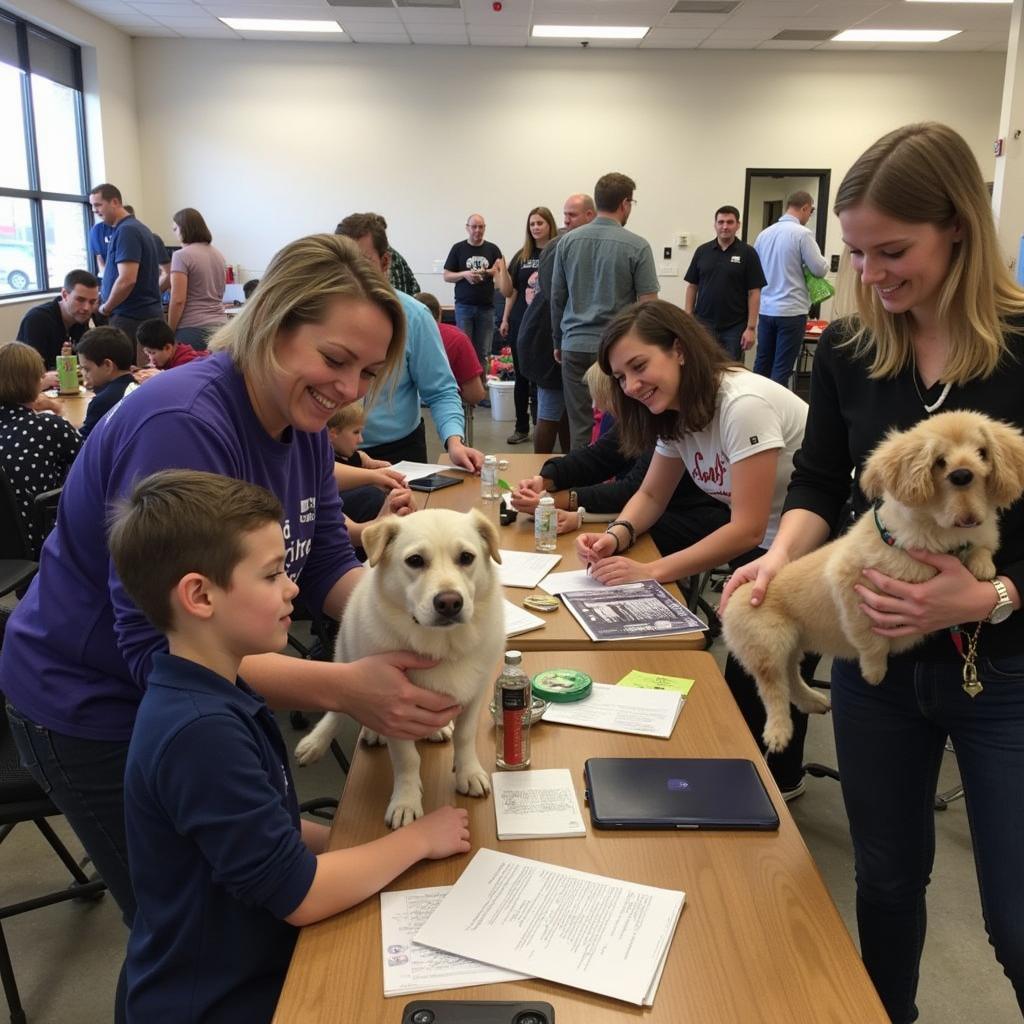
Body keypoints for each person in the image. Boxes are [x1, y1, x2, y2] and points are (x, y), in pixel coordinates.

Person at [1, 233, 462, 950]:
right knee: (203, 935)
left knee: (268, 876)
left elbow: (328, 567)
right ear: (273, 324)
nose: (350, 390)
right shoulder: (184, 428)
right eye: (336, 360)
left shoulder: (300, 417)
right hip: (98, 705)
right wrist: (345, 685)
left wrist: (424, 614)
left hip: (206, 702)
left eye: (368, 372)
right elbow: (165, 655)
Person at [721, 122, 1024, 1023]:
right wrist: (775, 557)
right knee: (887, 889)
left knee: (1014, 920)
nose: (871, 273)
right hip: (877, 674)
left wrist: (992, 595)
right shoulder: (855, 347)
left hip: (1002, 677)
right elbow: (816, 481)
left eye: (893, 251)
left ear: (959, 229)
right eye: (854, 253)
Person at [108, 469, 470, 1024]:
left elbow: (258, 829)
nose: (293, 589)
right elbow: (298, 895)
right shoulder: (200, 734)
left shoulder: (219, 693)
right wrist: (418, 840)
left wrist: (354, 841)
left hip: (251, 958)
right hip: (221, 998)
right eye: (273, 574)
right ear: (200, 595)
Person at [576, 299, 810, 796]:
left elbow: (745, 528)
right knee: (750, 668)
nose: (632, 386)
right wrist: (616, 535)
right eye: (621, 377)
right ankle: (759, 778)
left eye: (639, 366)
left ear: (679, 351)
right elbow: (652, 494)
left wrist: (651, 571)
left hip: (808, 545)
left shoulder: (741, 403)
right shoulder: (673, 412)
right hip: (764, 547)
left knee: (760, 674)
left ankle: (777, 786)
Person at [336, 214, 483, 470]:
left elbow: (440, 390)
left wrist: (454, 442)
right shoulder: (323, 314)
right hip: (330, 450)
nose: (351, 275)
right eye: (341, 264)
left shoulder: (413, 317)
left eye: (362, 263)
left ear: (384, 263)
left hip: (397, 452)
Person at [551, 172, 659, 450]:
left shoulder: (567, 242)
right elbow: (648, 306)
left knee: (580, 424)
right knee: (622, 422)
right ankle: (616, 486)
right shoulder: (638, 245)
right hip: (616, 351)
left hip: (573, 344)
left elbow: (557, 298)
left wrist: (557, 341)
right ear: (625, 204)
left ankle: (578, 486)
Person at [517, 193, 597, 454]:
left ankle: (565, 464)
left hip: (553, 335)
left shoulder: (568, 244)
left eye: (571, 215)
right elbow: (556, 297)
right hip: (547, 338)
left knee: (565, 411)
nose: (567, 220)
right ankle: (540, 470)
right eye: (566, 215)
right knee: (551, 410)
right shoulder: (562, 244)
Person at [0, 341, 81, 556]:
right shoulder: (49, 426)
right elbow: (88, 463)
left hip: (7, 545)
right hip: (39, 538)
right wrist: (57, 412)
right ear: (36, 382)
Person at [752, 190, 829, 385]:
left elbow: (755, 272)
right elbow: (819, 269)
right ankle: (777, 412)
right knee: (782, 368)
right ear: (805, 208)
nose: (809, 216)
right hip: (792, 311)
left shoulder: (764, 234)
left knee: (762, 364)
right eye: (810, 212)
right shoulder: (802, 234)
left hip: (766, 309)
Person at [496, 206, 558, 445]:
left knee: (543, 380)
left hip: (549, 327)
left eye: (540, 223)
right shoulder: (522, 256)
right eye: (532, 224)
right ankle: (522, 427)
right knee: (521, 377)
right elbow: (509, 292)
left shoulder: (557, 251)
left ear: (549, 225)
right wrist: (504, 318)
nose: (535, 228)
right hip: (522, 325)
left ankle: (542, 426)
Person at [89, 184, 164, 357]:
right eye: (93, 206)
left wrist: (107, 307)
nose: (95, 210)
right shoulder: (134, 228)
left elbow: (127, 279)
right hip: (137, 315)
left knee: (128, 373)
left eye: (98, 205)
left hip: (131, 317)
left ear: (115, 202)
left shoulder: (127, 230)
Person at [684, 206, 766, 360]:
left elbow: (754, 292)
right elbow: (692, 286)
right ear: (715, 224)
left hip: (734, 328)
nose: (725, 226)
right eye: (721, 222)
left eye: (730, 222)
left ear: (738, 225)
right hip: (703, 325)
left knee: (730, 372)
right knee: (702, 368)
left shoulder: (748, 253)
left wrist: (751, 328)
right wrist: (688, 318)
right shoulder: (702, 251)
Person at [326, 402, 413, 542]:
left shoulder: (354, 457)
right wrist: (374, 478)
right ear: (333, 433)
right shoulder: (321, 462)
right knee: (371, 496)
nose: (361, 440)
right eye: (356, 432)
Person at [443, 213, 505, 376]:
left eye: (481, 227)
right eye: (474, 227)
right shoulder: (458, 248)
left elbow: (502, 278)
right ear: (467, 228)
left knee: (484, 353)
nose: (477, 230)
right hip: (464, 307)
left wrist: (491, 273)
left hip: (487, 308)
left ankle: (481, 393)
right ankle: (464, 394)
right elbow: (447, 276)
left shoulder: (493, 249)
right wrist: (465, 274)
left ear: (485, 228)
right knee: (463, 351)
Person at [16, 269, 103, 377]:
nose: (86, 308)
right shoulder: (37, 320)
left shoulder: (81, 319)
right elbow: (30, 372)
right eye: (80, 300)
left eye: (92, 302)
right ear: (65, 295)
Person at [166, 207, 228, 349]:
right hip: (221, 327)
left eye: (175, 229)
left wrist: (169, 331)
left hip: (192, 328)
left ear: (184, 228)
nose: (174, 233)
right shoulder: (218, 254)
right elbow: (220, 292)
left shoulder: (181, 255)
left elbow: (178, 300)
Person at [412, 292, 486, 406]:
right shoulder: (456, 337)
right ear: (440, 312)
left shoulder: (394, 337)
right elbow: (475, 395)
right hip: (446, 410)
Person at [76, 325, 137, 438]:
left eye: (86, 369)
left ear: (107, 365)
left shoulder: (102, 402)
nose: (83, 374)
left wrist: (59, 413)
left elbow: (84, 444)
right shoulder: (137, 386)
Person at [137, 317, 204, 372]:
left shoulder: (185, 364)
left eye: (152, 353)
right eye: (147, 353)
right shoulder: (167, 359)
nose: (150, 358)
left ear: (168, 347)